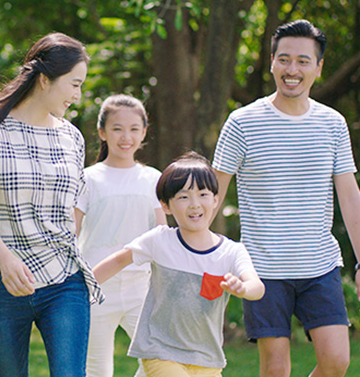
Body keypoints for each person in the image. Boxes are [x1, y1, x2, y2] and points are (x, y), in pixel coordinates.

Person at [212, 19, 360, 377]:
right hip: (263, 270)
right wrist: (194, 254)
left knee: (336, 362)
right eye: (284, 59)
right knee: (276, 369)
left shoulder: (333, 123)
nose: (292, 69)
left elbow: (349, 195)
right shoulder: (242, 122)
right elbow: (214, 190)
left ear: (318, 68)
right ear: (272, 62)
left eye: (303, 61)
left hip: (320, 266)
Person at [0, 32, 102, 377]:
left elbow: (71, 208)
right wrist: (5, 259)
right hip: (4, 282)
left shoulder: (71, 137)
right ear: (45, 79)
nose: (78, 96)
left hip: (64, 279)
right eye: (74, 84)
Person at [93, 152, 265, 377]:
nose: (195, 204)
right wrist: (79, 287)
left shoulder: (231, 251)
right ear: (166, 206)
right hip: (160, 351)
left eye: (203, 194)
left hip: (207, 359)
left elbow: (257, 286)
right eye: (183, 197)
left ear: (215, 199)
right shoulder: (160, 240)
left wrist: (243, 288)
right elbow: (119, 260)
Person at [74, 94, 168, 377]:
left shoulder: (153, 179)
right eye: (117, 128)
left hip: (143, 287)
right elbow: (71, 231)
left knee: (159, 361)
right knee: (96, 370)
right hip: (96, 288)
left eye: (134, 129)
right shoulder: (88, 178)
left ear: (144, 133)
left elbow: (162, 236)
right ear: (102, 132)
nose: (126, 136)